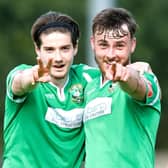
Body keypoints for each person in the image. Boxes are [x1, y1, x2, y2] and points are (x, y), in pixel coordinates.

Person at [2, 11, 100, 168]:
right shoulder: (22, 74)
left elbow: (115, 75)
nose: (58, 58)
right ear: (37, 50)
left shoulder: (87, 79)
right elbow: (19, 83)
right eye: (49, 50)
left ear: (75, 47)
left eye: (65, 48)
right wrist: (33, 78)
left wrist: (136, 69)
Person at [83, 8, 161, 168]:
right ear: (92, 43)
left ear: (132, 45)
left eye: (119, 46)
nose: (111, 55)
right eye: (103, 45)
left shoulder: (145, 77)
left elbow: (138, 86)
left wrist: (126, 76)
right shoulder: (89, 87)